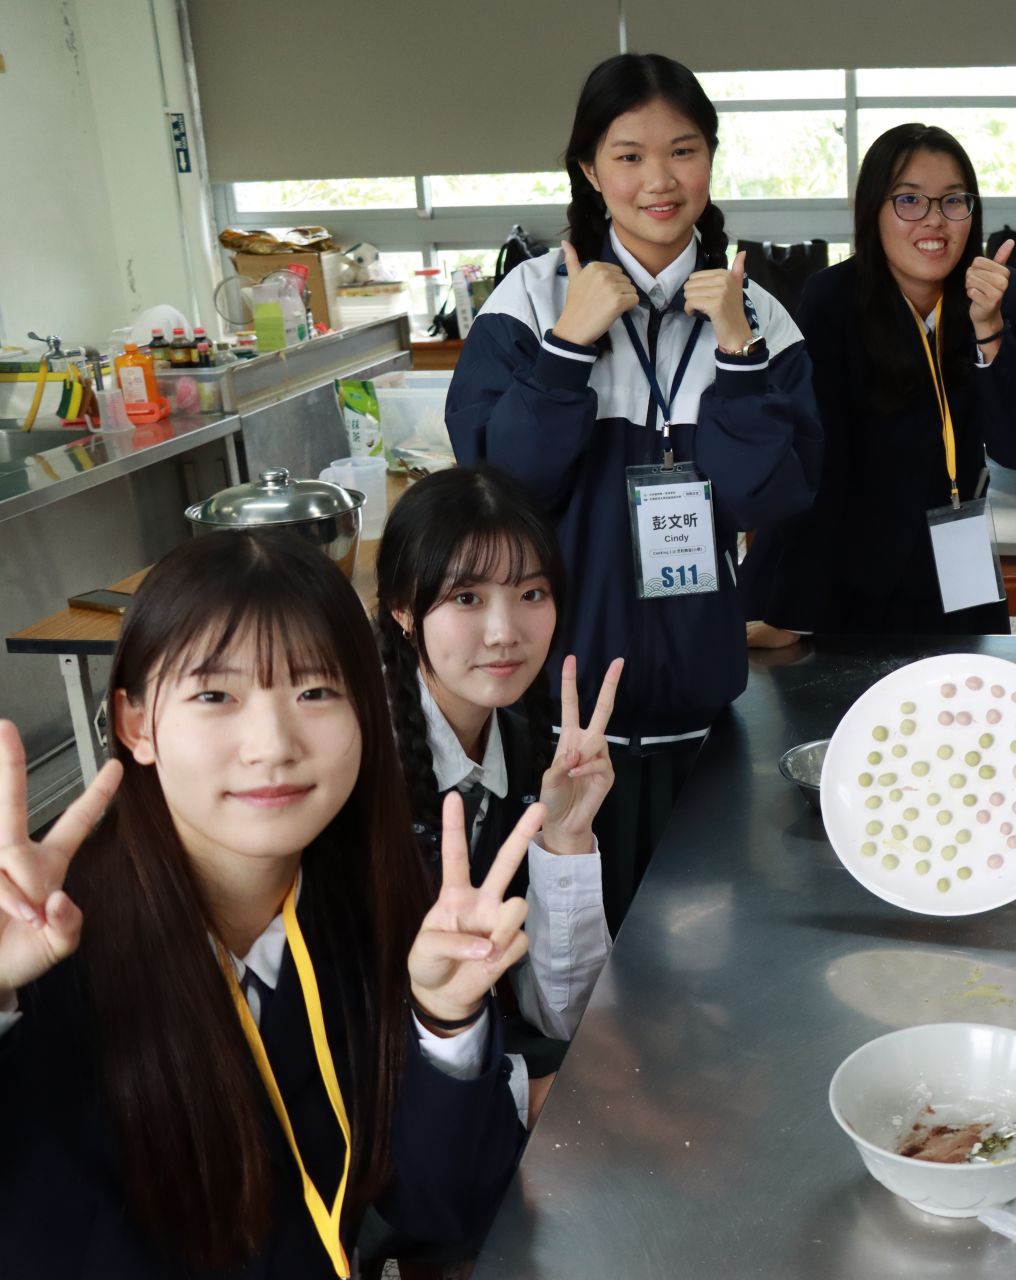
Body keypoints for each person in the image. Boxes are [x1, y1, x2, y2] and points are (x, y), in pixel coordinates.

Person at [0, 531, 528, 1277]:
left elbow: (441, 1209)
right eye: (216, 695)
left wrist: (445, 1022)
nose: (272, 744)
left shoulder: (377, 908)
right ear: (136, 725)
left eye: (315, 692)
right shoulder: (44, 946)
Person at [447, 52, 822, 930]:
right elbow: (498, 491)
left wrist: (736, 354)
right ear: (589, 168)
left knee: (703, 964)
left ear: (711, 159)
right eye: (628, 155)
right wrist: (569, 347)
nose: (659, 180)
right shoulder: (528, 303)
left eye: (683, 151)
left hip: (706, 722)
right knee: (571, 969)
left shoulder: (760, 315)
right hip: (559, 730)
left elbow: (772, 499)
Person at [742, 122, 1016, 641]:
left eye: (953, 200)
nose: (934, 220)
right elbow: (822, 463)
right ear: (873, 210)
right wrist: (792, 611)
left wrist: (989, 329)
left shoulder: (1002, 295)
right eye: (909, 200)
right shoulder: (832, 299)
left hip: (961, 552)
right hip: (855, 562)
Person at [375, 466, 616, 1128]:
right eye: (466, 599)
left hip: (495, 1078)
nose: (505, 630)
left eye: (531, 593)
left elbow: (565, 1014)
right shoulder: (354, 775)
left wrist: (565, 842)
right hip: (401, 1131)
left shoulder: (534, 744)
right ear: (401, 608)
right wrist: (522, 1092)